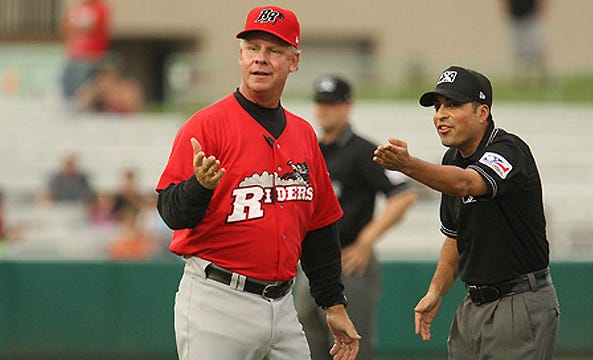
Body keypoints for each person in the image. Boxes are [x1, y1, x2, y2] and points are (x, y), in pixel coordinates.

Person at [156, 6, 360, 360]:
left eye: (274, 50)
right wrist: (200, 187)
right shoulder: (207, 125)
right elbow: (171, 212)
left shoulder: (303, 134)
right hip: (217, 300)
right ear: (240, 55)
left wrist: (333, 304)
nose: (261, 59)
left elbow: (320, 228)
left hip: (282, 306)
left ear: (294, 61)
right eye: (253, 48)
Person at [373, 66, 560, 359]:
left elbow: (467, 184)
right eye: (437, 107)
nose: (440, 114)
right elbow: (456, 237)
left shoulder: (509, 149)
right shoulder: (452, 160)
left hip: (519, 300)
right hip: (473, 304)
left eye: (453, 104)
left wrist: (408, 165)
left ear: (482, 112)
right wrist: (436, 291)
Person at [295, 75, 416, 360]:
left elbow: (404, 194)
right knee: (306, 347)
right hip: (312, 263)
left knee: (350, 349)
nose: (324, 109)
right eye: (320, 102)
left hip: (349, 260)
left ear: (347, 106)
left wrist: (366, 241)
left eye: (331, 103)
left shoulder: (363, 150)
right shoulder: (311, 151)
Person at [60, 0, 110, 99]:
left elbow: (91, 26)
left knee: (82, 88)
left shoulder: (99, 7)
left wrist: (75, 26)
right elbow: (65, 25)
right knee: (66, 86)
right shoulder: (77, 8)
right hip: (73, 55)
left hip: (90, 56)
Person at [502, 0, 547, 87]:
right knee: (519, 51)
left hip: (531, 16)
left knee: (537, 48)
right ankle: (523, 79)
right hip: (516, 17)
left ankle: (543, 77)